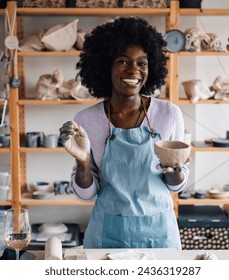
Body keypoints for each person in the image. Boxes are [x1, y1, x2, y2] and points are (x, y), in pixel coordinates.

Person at [59, 17, 189, 249]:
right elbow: (86, 194)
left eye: (142, 63)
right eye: (123, 62)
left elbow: (176, 185)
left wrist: (175, 168)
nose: (134, 71)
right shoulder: (86, 120)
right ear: (105, 66)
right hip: (107, 235)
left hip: (159, 234)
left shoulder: (169, 114)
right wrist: (83, 161)